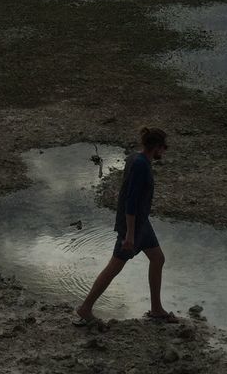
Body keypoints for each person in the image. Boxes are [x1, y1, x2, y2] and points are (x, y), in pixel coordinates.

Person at [75, 127, 177, 325]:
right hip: (132, 224)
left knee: (158, 259)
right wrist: (129, 234)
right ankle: (85, 308)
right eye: (164, 147)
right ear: (156, 147)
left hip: (141, 223)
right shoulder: (140, 165)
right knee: (114, 267)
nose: (164, 151)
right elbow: (131, 201)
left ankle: (156, 309)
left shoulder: (136, 158)